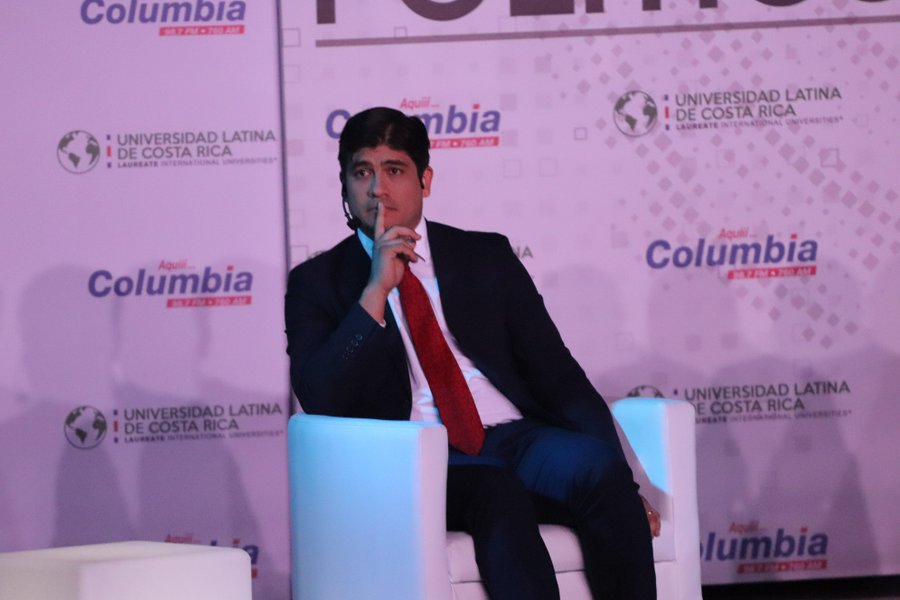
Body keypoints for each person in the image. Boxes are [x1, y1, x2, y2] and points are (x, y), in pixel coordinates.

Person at [284, 107, 658, 599]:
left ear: (425, 180)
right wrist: (374, 293)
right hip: (414, 457)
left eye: (394, 170)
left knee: (595, 466)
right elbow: (319, 396)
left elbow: (557, 376)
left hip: (511, 437)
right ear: (344, 185)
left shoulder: (485, 256)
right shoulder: (316, 283)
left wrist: (624, 486)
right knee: (497, 490)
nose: (377, 189)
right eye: (361, 173)